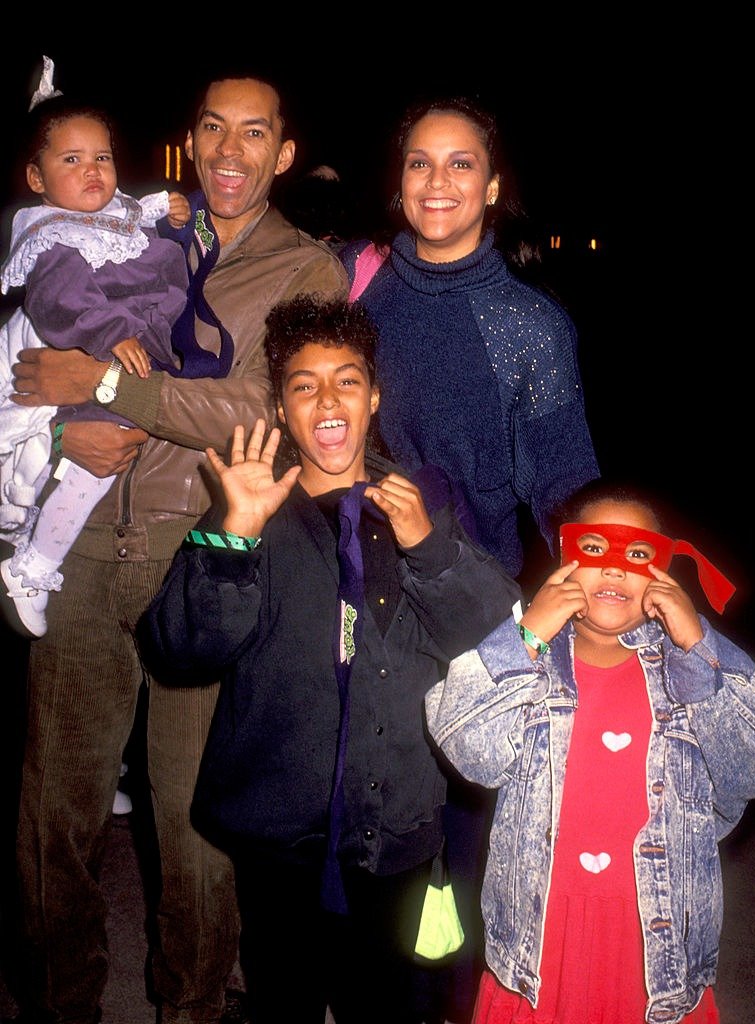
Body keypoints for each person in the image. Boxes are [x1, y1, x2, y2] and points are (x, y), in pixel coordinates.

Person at [7, 66, 348, 1024]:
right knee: (55, 818)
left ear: (281, 153)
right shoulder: (125, 228)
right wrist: (58, 428)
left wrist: (111, 391)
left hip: (194, 553)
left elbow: (261, 409)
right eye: (212, 129)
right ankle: (56, 1000)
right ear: (190, 140)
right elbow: (28, 371)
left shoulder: (302, 270)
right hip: (77, 556)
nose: (228, 152)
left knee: (191, 821)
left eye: (253, 135)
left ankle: (191, 1005)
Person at [139, 294, 521, 1024]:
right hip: (281, 833)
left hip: (398, 826)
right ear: (281, 409)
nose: (327, 399)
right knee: (284, 992)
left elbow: (498, 643)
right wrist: (234, 540)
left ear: (373, 396)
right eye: (303, 385)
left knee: (391, 1003)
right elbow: (178, 650)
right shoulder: (246, 506)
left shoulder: (421, 502)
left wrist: (429, 550)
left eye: (346, 379)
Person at [425, 478, 755, 1023]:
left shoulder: (691, 668)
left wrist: (698, 645)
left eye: (639, 554)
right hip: (539, 942)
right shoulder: (530, 660)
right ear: (564, 561)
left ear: (664, 575)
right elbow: (465, 740)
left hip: (655, 947)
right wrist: (528, 634)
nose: (614, 567)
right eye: (595, 549)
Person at [340, 94, 600, 583]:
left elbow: (564, 487)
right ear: (401, 182)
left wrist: (600, 585)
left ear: (493, 188)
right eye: (421, 163)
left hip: (462, 592)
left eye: (461, 164)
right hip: (345, 574)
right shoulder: (353, 277)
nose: (437, 181)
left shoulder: (530, 326)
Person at [0, 73, 192, 639]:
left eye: (102, 158)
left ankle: (33, 523)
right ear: (37, 178)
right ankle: (34, 565)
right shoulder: (54, 237)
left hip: (124, 355)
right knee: (92, 471)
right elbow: (64, 303)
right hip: (98, 354)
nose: (93, 171)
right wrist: (111, 334)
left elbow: (127, 212)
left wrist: (165, 203)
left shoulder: (96, 214)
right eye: (73, 160)